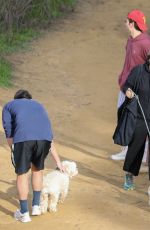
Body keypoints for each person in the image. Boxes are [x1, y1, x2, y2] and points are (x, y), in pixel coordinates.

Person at [2, 89, 65, 223]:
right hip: (44, 140)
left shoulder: (9, 106)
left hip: (23, 140)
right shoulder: (39, 105)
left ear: (16, 99)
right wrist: (58, 162)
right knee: (37, 170)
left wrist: (14, 151)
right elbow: (49, 136)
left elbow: (9, 133)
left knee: (22, 175)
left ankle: (24, 213)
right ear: (29, 99)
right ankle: (36, 206)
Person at [111, 9, 150, 164]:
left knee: (139, 122)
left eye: (127, 21)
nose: (126, 23)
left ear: (132, 24)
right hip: (124, 87)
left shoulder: (146, 43)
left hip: (138, 91)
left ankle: (143, 155)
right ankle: (126, 150)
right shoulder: (130, 40)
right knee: (124, 119)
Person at [122, 51, 150, 190]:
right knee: (136, 147)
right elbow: (126, 85)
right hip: (140, 117)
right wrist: (128, 91)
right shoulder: (139, 71)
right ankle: (129, 175)